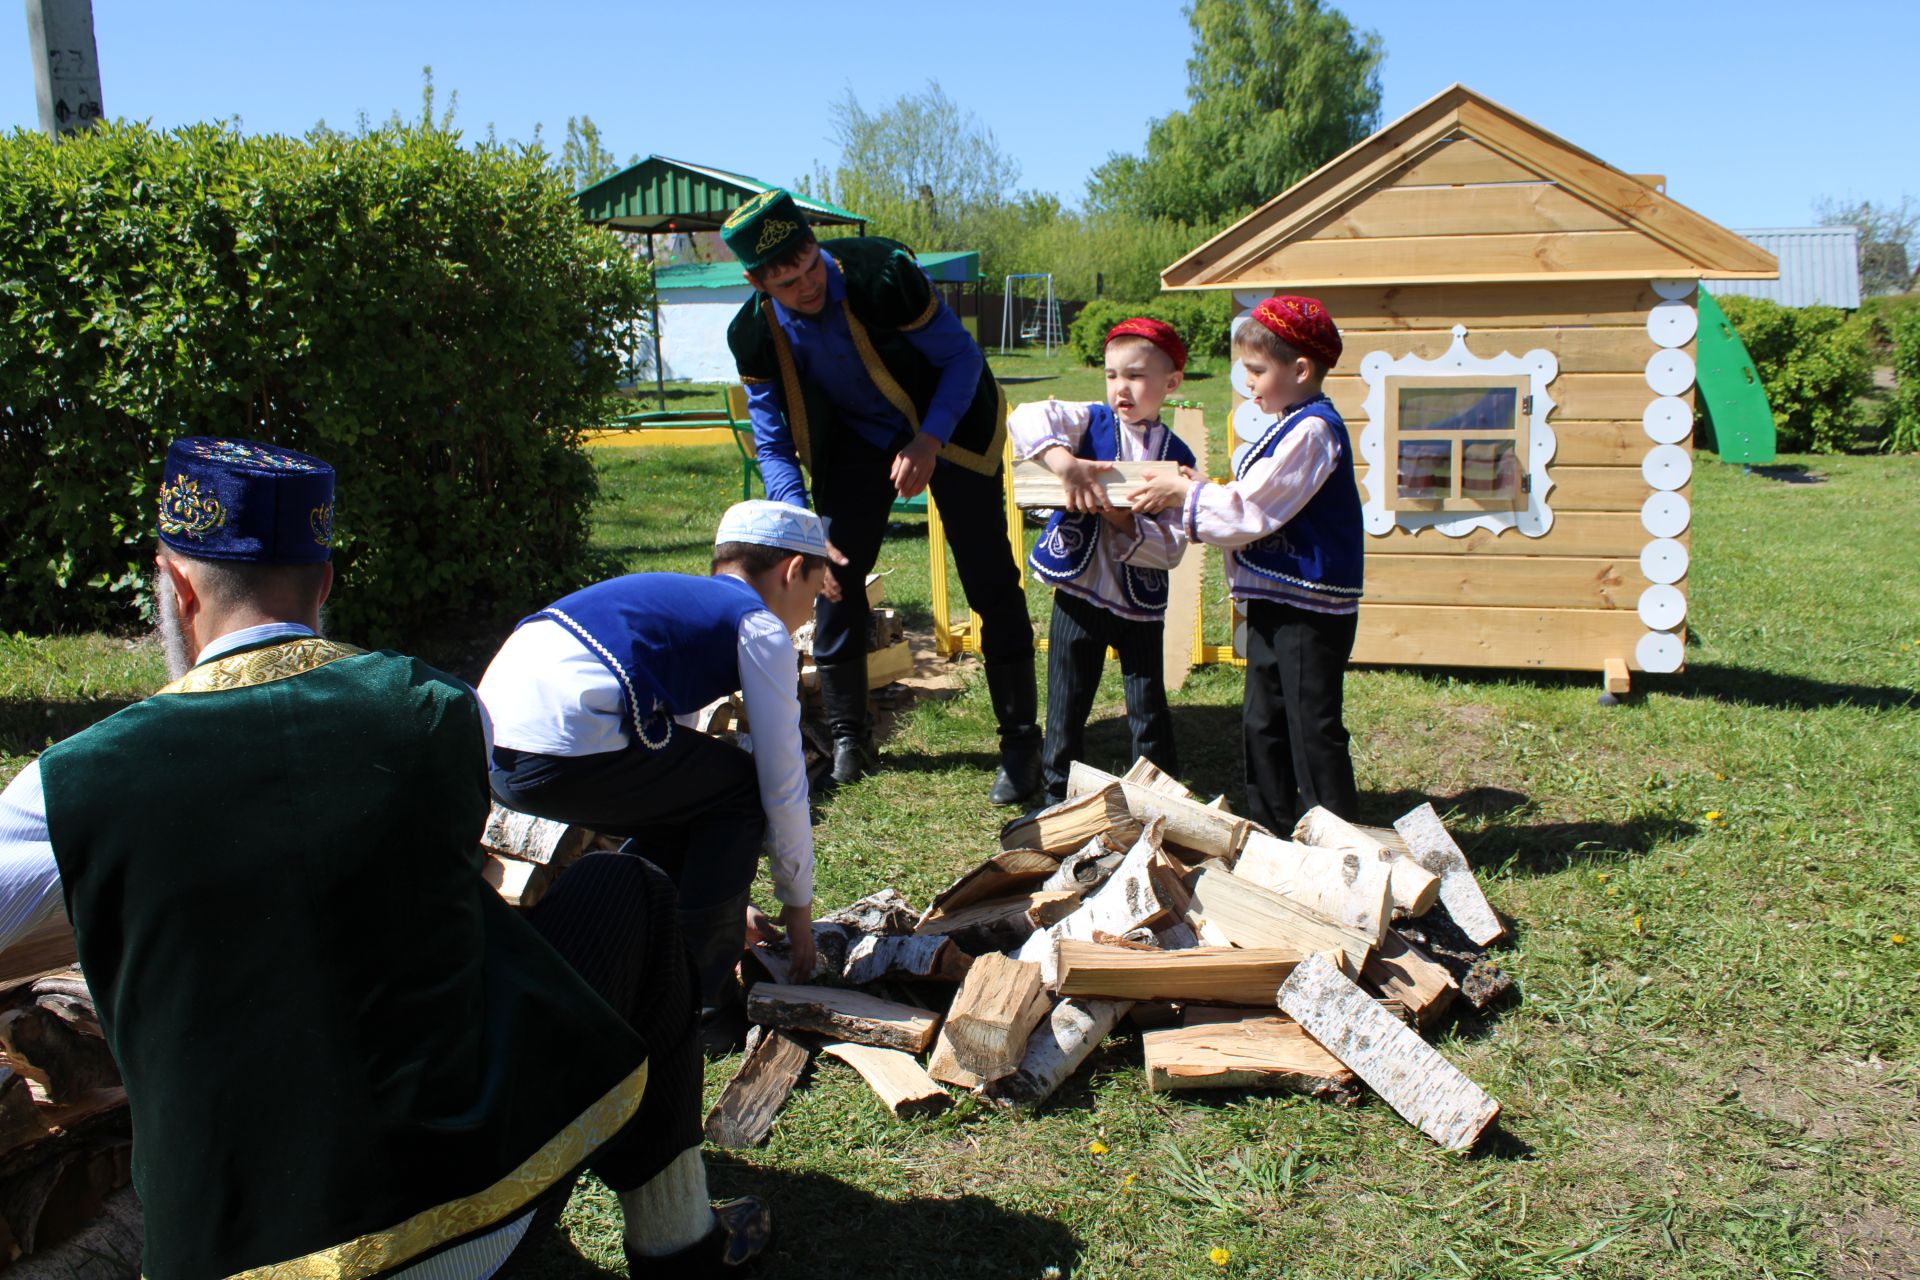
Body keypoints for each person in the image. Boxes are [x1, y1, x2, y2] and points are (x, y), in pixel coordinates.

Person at [0, 437, 769, 1278]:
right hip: (473, 1230)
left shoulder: (75, 786)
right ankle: (680, 1248)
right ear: (323, 583)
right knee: (626, 892)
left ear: (176, 584)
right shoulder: (437, 711)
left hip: (230, 1255)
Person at [719, 188, 1042, 805]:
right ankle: (850, 738)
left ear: (815, 245)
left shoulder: (883, 274)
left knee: (988, 579)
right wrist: (803, 526)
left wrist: (928, 440)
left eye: (810, 265)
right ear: (757, 282)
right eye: (786, 282)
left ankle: (1021, 744)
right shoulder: (753, 333)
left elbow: (960, 358)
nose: (806, 285)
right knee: (833, 577)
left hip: (949, 424)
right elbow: (772, 437)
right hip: (856, 444)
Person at [480, 500, 827, 1054]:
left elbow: (676, 775)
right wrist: (799, 910)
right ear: (791, 570)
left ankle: (614, 962)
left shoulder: (681, 606)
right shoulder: (757, 626)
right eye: (814, 592)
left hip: (502, 753)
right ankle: (701, 1010)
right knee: (740, 789)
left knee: (697, 800)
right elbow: (781, 778)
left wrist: (724, 895)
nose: (808, 612)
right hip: (567, 745)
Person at [1128, 296, 1363, 832]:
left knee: (1311, 726)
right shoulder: (1289, 424)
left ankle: (1341, 841)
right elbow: (1251, 497)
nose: (1248, 381)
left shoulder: (1312, 431)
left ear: (1300, 370)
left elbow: (1251, 512)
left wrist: (1179, 495)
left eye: (1257, 370)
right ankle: (1273, 829)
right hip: (1276, 598)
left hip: (1311, 608)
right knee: (1263, 720)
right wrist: (1201, 489)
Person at [1010, 317, 1196, 807]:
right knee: (1067, 700)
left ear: (1171, 383)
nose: (1121, 388)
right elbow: (1027, 417)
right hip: (1079, 588)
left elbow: (1173, 545)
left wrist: (1123, 520)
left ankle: (1156, 797)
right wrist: (1063, 463)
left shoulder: (1178, 458)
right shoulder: (1089, 421)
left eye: (1136, 376)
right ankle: (1054, 796)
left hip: (1139, 598)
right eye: (1112, 375)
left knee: (1147, 704)